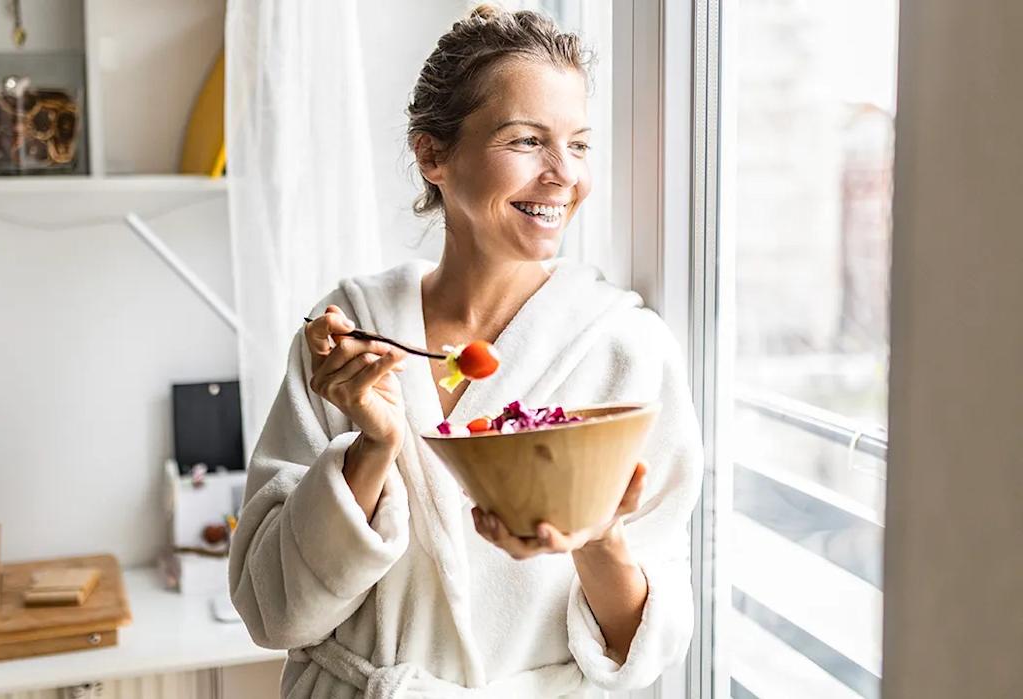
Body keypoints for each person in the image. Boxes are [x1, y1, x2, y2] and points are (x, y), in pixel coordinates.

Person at [228, 5, 702, 697]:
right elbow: (272, 612)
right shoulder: (350, 337)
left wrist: (598, 537)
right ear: (432, 155)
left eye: (578, 144)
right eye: (527, 140)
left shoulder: (626, 351)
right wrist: (373, 444)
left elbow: (643, 652)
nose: (563, 174)